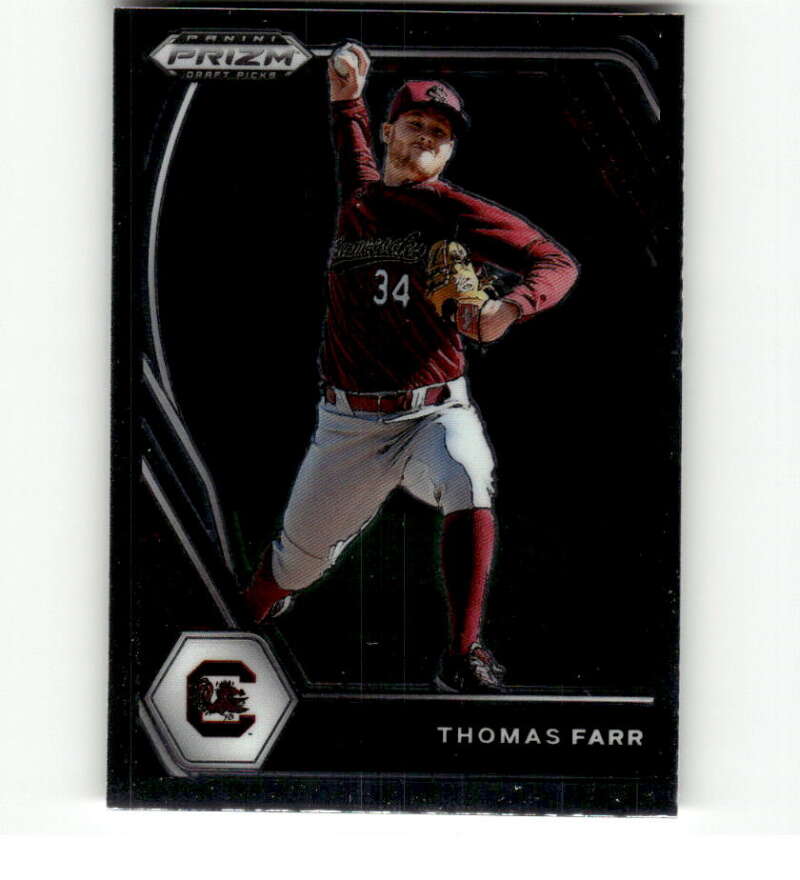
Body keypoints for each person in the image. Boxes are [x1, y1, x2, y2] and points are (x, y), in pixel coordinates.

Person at [242, 43, 579, 693]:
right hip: (347, 425)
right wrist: (346, 95)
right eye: (417, 123)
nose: (428, 135)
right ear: (389, 132)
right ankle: (245, 611)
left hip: (433, 410)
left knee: (467, 476)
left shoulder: (452, 211)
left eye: (441, 132)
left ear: (448, 151)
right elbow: (350, 146)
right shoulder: (360, 199)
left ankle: (464, 652)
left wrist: (510, 307)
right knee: (292, 569)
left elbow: (556, 262)